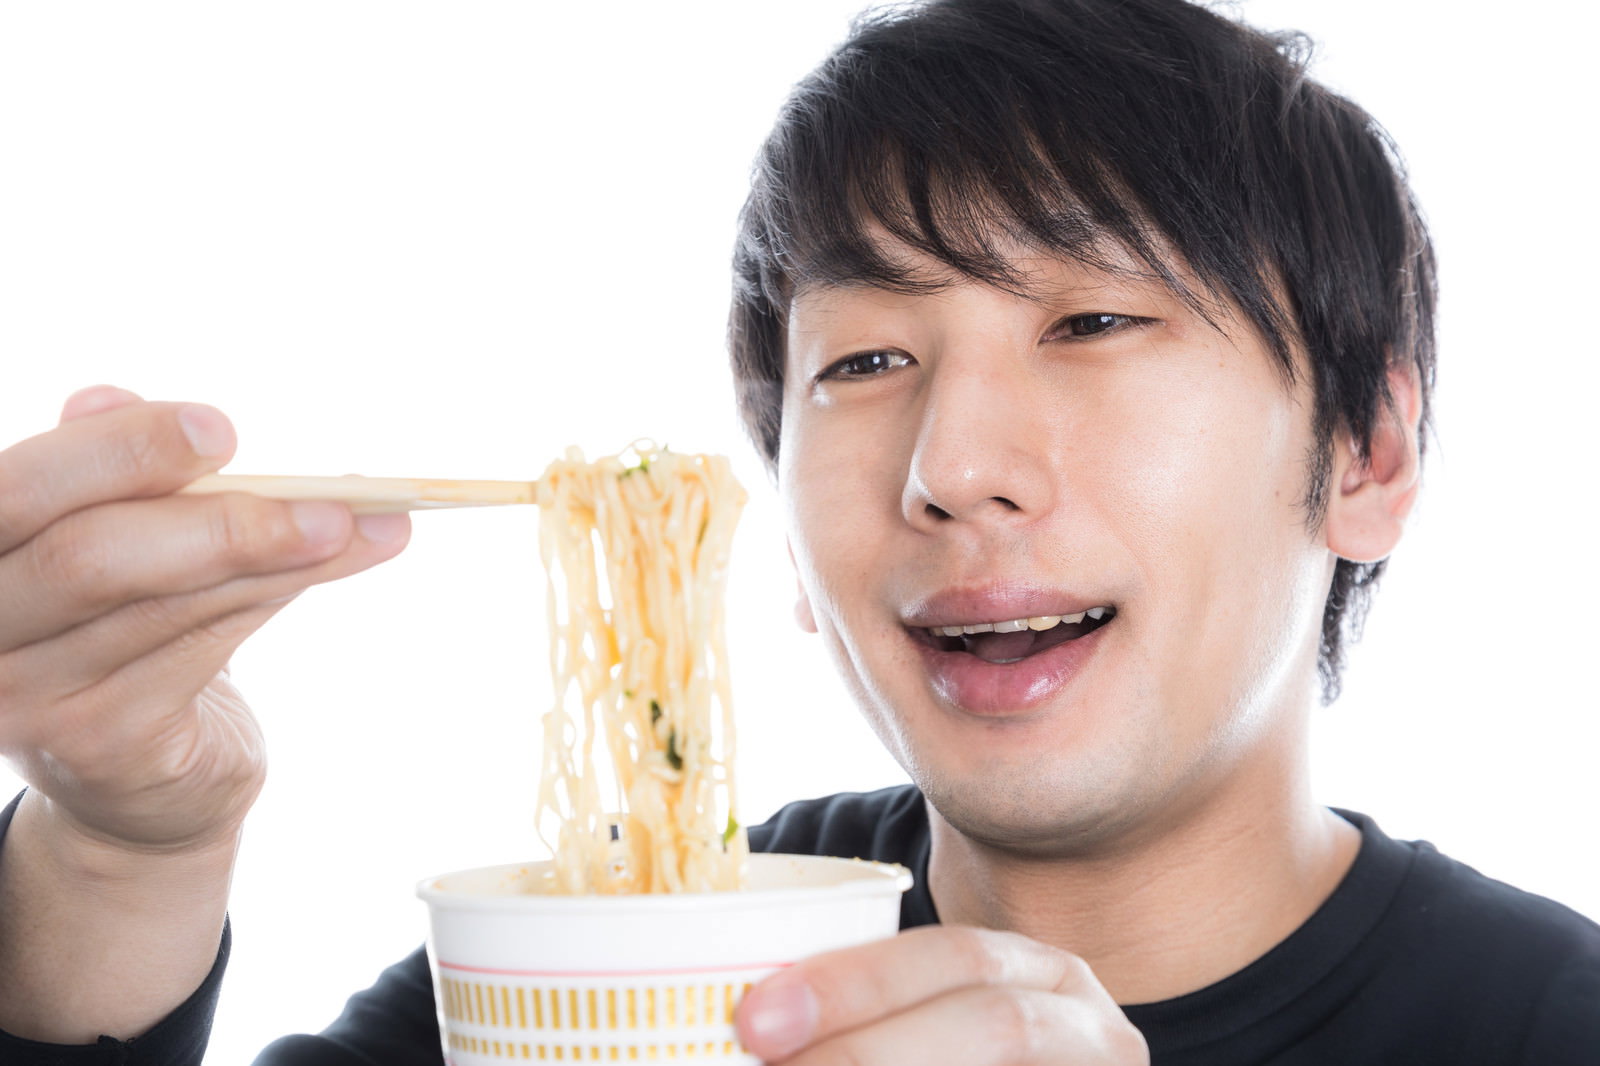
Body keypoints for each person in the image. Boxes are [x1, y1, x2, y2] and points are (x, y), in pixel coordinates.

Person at [1, 0, 1596, 1063]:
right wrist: (120, 848)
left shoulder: (1546, 1019)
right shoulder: (610, 972)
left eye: (1096, 318)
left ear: (1368, 451)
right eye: (867, 363)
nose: (950, 466)